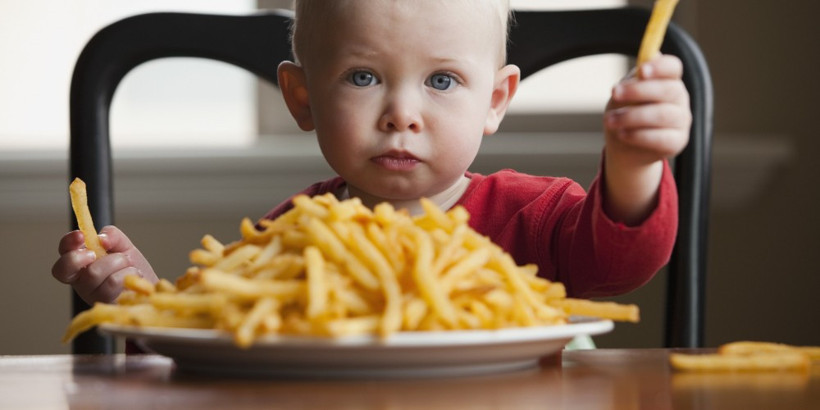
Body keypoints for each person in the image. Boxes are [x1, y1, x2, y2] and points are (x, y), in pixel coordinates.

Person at [52, 0, 691, 305]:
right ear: (302, 98)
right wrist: (143, 298)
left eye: (442, 81)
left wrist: (634, 163)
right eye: (363, 77)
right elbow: (215, 358)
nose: (401, 114)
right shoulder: (286, 241)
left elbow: (621, 261)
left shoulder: (539, 219)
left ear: (495, 100)